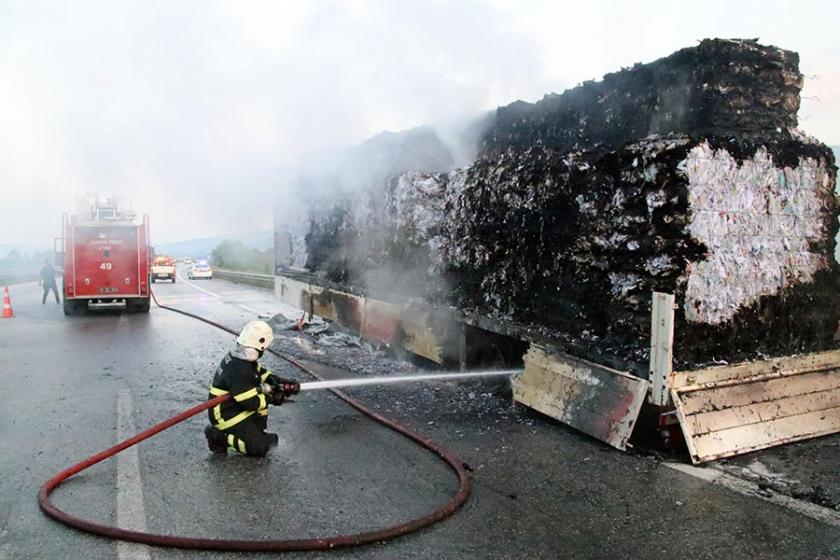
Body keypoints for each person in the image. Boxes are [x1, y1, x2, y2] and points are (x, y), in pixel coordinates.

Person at [204, 320, 300, 457]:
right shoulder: (239, 370)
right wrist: (272, 398)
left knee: (260, 429)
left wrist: (277, 380)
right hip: (226, 415)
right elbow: (250, 402)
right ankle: (219, 437)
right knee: (260, 448)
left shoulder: (241, 358)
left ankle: (255, 434)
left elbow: (257, 371)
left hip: (235, 407)